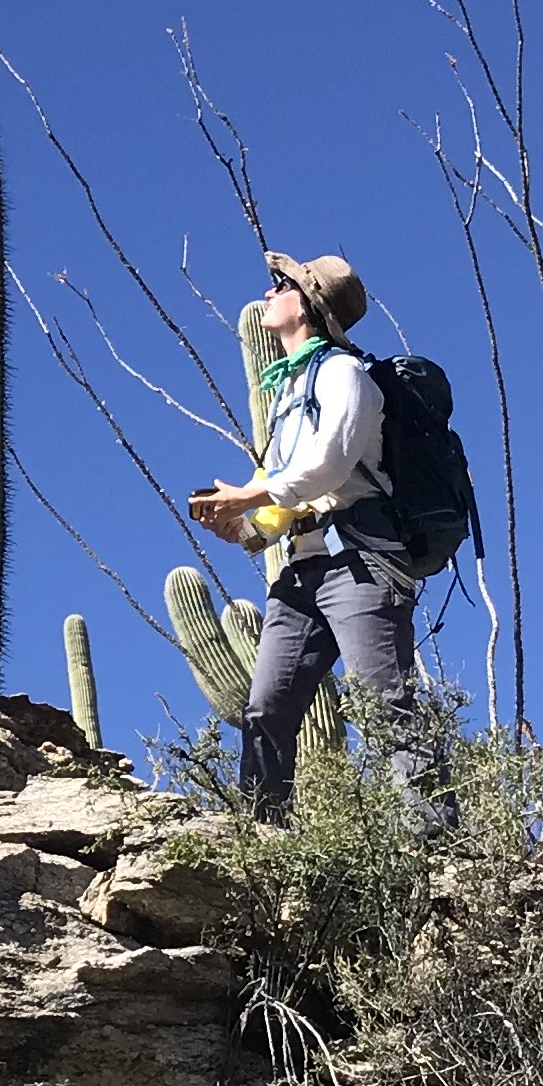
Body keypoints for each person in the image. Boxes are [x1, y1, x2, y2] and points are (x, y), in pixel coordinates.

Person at [188, 252, 422, 820]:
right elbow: (285, 492)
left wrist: (249, 494)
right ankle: (261, 836)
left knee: (386, 705)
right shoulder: (291, 392)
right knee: (266, 708)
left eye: (280, 285)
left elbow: (328, 467)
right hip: (302, 568)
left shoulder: (344, 374)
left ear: (309, 305)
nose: (268, 294)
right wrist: (243, 530)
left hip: (362, 563)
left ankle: (434, 842)